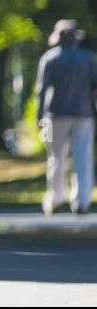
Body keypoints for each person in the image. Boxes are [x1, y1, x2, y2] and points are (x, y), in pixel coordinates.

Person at [35, 19, 97, 215]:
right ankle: (82, 202)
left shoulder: (50, 58)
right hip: (84, 115)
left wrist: (39, 116)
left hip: (55, 116)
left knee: (55, 158)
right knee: (83, 158)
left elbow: (41, 90)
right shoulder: (88, 58)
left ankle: (55, 198)